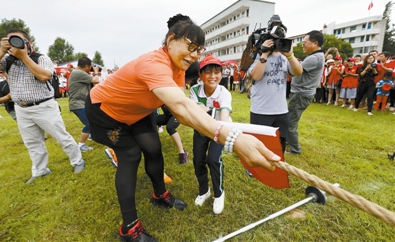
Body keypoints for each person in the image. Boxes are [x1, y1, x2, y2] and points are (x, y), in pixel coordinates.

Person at [84, 14, 280, 241]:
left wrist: (218, 125)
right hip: (105, 112)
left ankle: (160, 194)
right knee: (130, 155)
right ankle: (129, 228)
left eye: (200, 49)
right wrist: (231, 138)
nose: (195, 54)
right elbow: (181, 107)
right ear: (170, 39)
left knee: (154, 149)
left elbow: (183, 107)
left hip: (138, 113)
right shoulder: (154, 63)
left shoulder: (176, 68)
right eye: (191, 46)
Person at [0, 29, 85, 184]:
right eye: (10, 41)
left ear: (29, 43)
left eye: (18, 40)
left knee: (61, 136)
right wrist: (2, 50)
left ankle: (77, 161)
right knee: (33, 142)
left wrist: (23, 56)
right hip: (21, 108)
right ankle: (40, 171)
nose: (14, 44)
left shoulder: (41, 58)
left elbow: (44, 76)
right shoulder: (7, 59)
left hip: (44, 106)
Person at [247, 15, 303, 153]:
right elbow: (256, 76)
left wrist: (290, 55)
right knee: (259, 142)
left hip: (281, 110)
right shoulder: (259, 55)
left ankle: (276, 167)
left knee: (280, 143)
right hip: (261, 109)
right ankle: (253, 168)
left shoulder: (285, 58)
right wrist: (264, 54)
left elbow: (298, 71)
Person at [189, 54, 232, 214]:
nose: (213, 76)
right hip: (200, 130)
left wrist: (212, 115)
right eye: (208, 72)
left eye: (217, 72)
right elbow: (194, 112)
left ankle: (219, 194)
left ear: (221, 74)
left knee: (213, 159)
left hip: (218, 130)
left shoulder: (224, 93)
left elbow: (224, 117)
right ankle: (204, 190)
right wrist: (212, 112)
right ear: (200, 75)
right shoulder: (194, 90)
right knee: (198, 160)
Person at [285, 30, 325, 155]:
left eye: (305, 43)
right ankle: (288, 141)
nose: (303, 45)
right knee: (290, 118)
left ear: (315, 43)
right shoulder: (317, 56)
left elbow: (292, 71)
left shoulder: (314, 58)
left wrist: (287, 57)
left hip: (301, 94)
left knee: (290, 122)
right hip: (303, 93)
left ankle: (295, 149)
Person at [68, 57, 100, 152]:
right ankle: (81, 145)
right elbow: (96, 80)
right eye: (90, 66)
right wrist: (96, 72)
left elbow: (94, 85)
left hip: (82, 103)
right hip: (78, 104)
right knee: (89, 124)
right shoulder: (78, 73)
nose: (91, 68)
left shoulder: (79, 73)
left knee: (94, 119)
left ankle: (91, 136)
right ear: (86, 66)